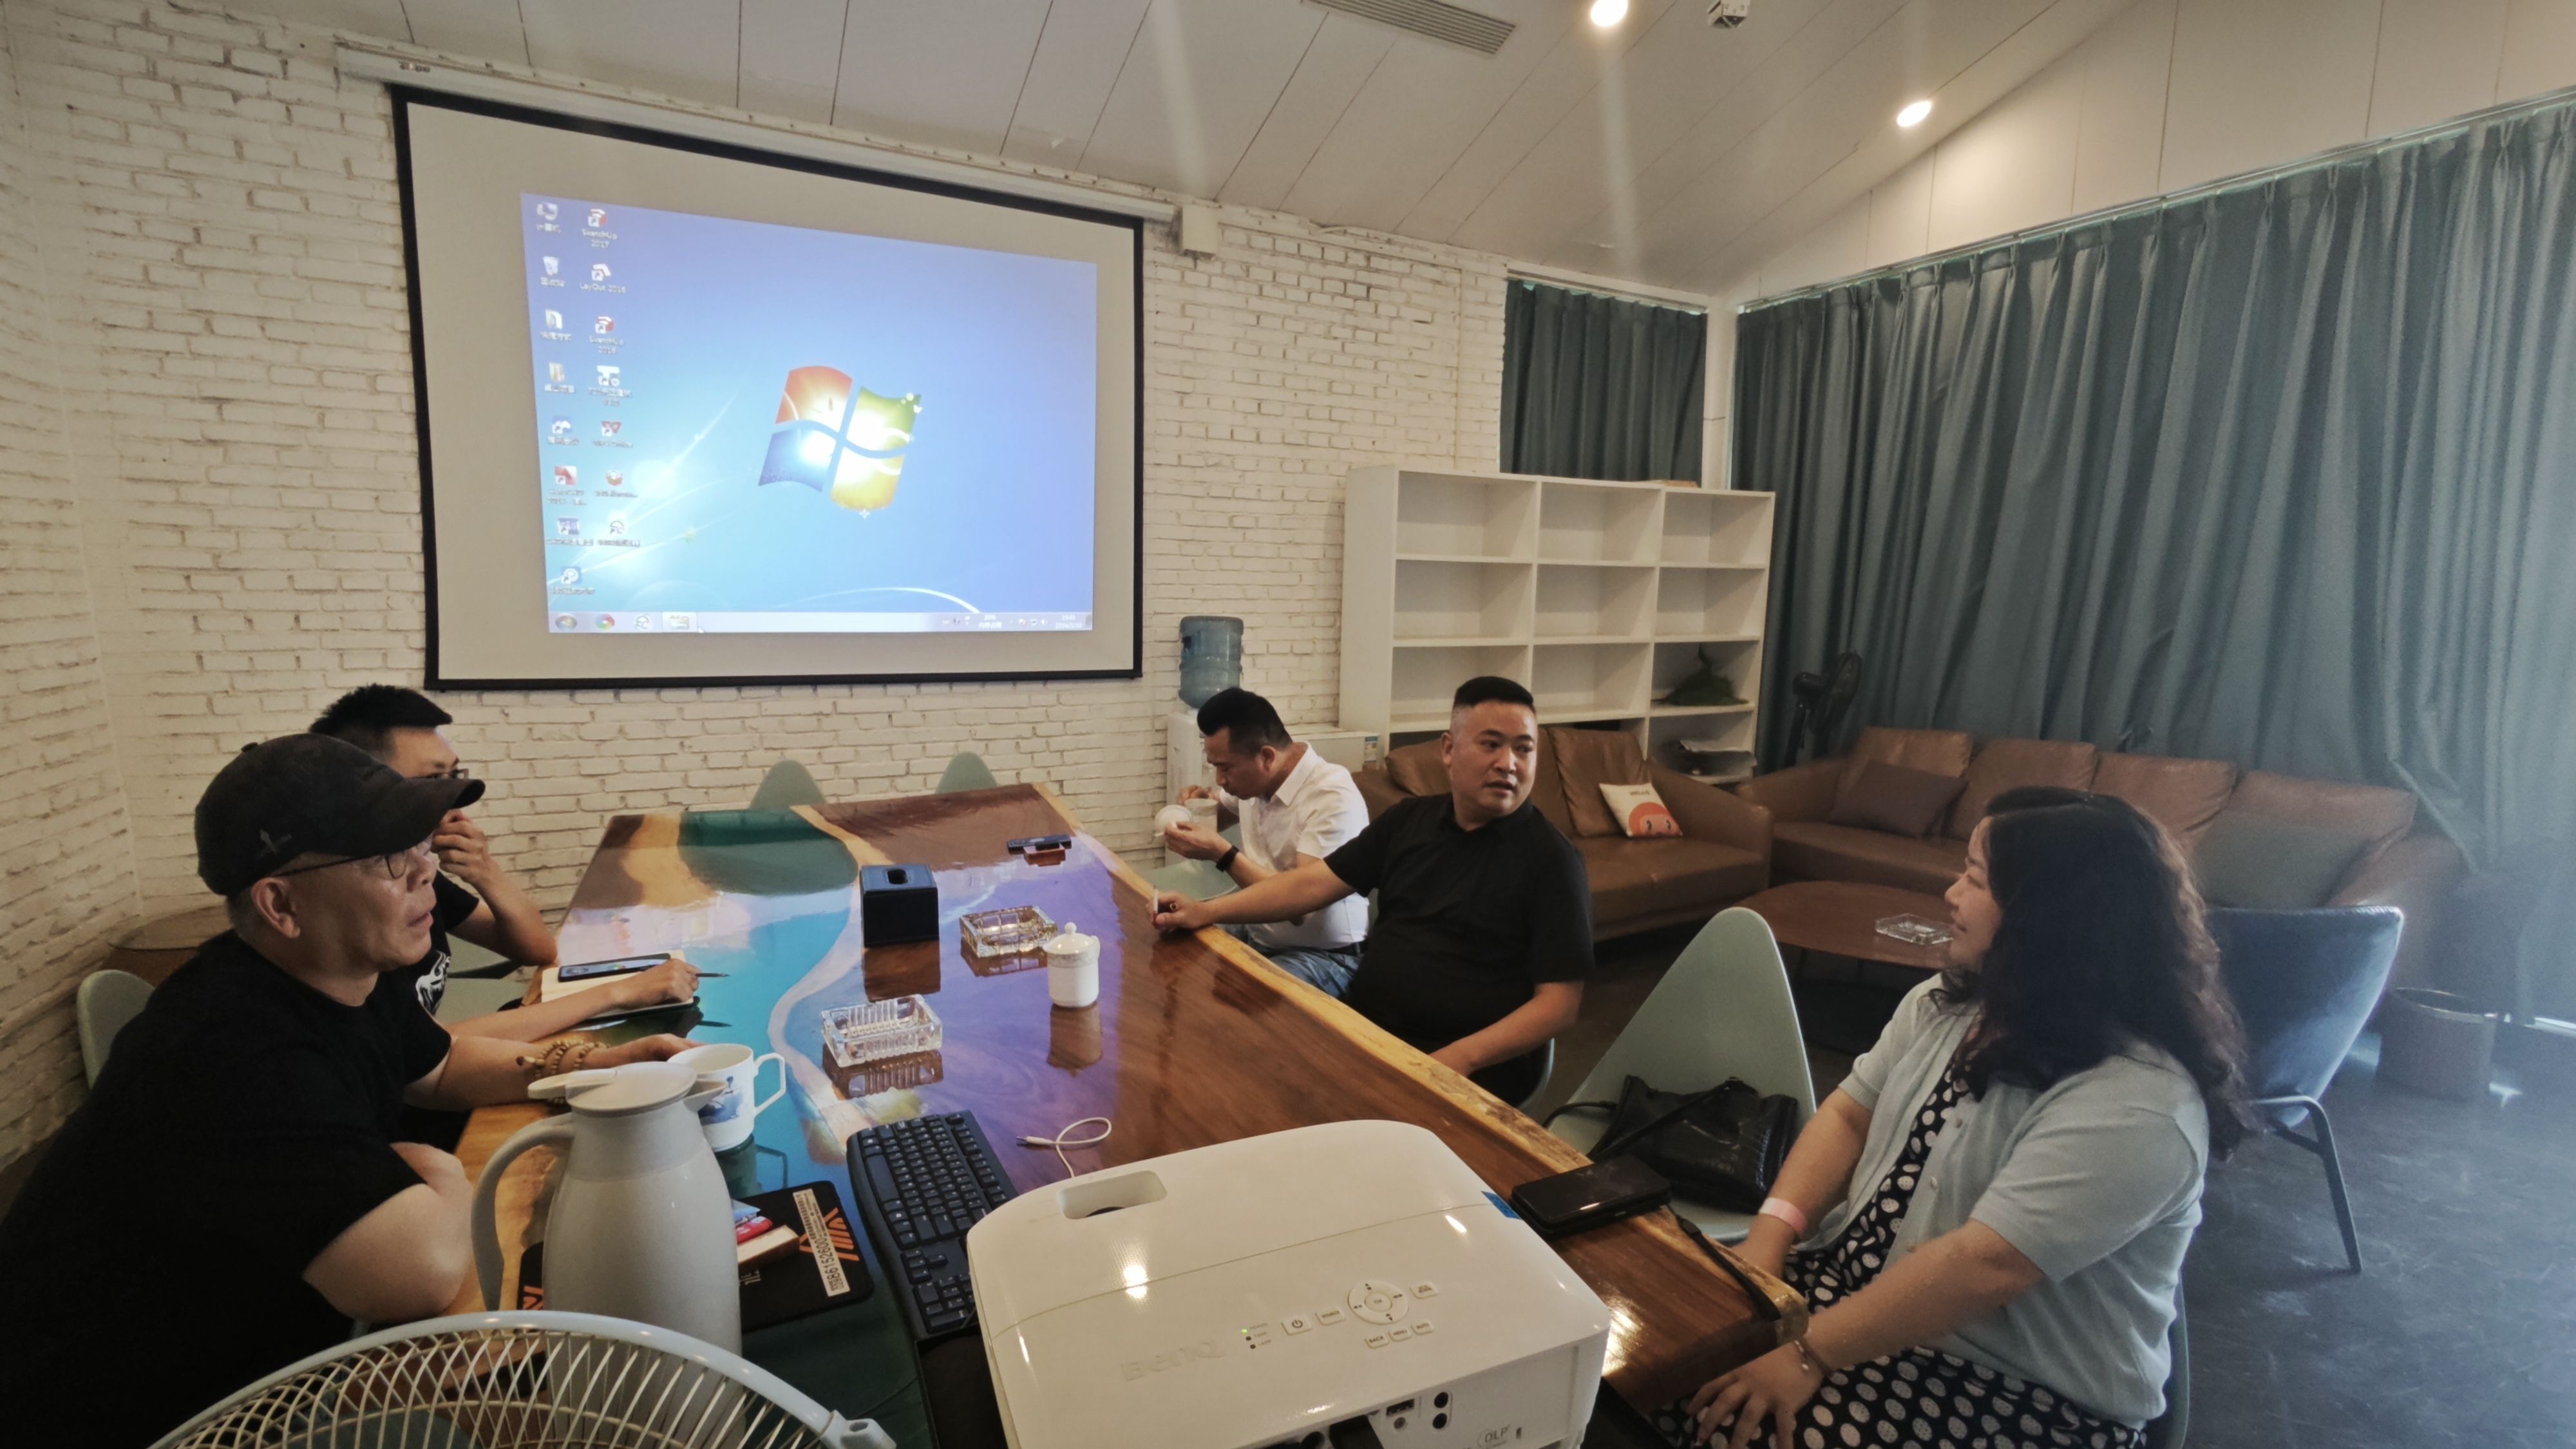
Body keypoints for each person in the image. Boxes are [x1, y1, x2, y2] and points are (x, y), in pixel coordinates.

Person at [0, 734, 694, 1447]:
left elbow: (442, 1067)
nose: (426, 869)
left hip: (277, 1361)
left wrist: (586, 1063)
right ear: (281, 904)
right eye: (387, 858)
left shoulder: (347, 969)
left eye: (418, 844)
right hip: (170, 1420)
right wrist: (440, 1169)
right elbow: (421, 1273)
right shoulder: (229, 1050)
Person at [1662, 791, 2250, 1449]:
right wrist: (1767, 1242)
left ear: (2047, 913)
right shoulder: (1947, 1006)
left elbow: (1985, 1266)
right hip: (1854, 1302)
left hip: (2011, 1389)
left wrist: (1806, 1354)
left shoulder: (2139, 1103)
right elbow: (1850, 1116)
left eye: (1974, 878)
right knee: (1655, 1354)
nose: (1951, 893)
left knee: (1724, 1424)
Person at [1154, 676, 1589, 1104]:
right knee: (1223, 1060)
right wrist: (1206, 911)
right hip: (1371, 1038)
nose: (1508, 763)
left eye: (1524, 748)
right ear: (1449, 750)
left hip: (1464, 1073)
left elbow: (1560, 1005)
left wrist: (1461, 1059)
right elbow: (1307, 887)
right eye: (1491, 745)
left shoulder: (1553, 860)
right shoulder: (1410, 822)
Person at [311, 685, 699, 1038]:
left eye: (454, 777)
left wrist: (485, 871)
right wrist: (617, 992)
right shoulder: (356, 903)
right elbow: (430, 1053)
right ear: (363, 790)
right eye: (432, 783)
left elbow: (538, 950)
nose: (453, 803)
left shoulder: (419, 874)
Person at [1160, 687, 1371, 996]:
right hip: (1261, 935)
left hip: (1327, 955)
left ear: (1267, 757)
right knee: (1174, 947)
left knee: (1244, 1000)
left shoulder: (1331, 797)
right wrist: (1201, 804)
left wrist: (1222, 854)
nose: (1219, 780)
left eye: (1226, 767)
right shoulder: (1258, 782)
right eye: (1214, 766)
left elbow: (1299, 907)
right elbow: (1223, 808)